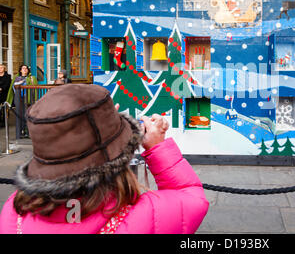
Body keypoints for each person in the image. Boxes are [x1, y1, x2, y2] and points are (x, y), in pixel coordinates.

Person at [0, 84, 209, 234]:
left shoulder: (14, 213)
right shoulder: (147, 215)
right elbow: (191, 198)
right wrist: (157, 146)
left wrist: (102, 126)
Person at [6, 65, 38, 139]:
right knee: (19, 115)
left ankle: (28, 132)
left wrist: (35, 99)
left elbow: (35, 89)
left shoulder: (32, 78)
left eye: (26, 68)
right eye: (23, 68)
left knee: (28, 114)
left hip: (28, 98)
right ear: (20, 70)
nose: (25, 69)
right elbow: (13, 87)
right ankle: (20, 132)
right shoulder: (16, 78)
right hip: (19, 98)